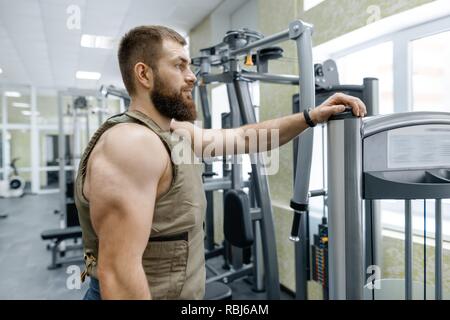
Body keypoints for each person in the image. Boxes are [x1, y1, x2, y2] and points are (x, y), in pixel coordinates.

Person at [75, 25, 367, 300]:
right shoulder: (131, 144)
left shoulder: (175, 131)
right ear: (144, 74)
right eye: (179, 65)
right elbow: (119, 276)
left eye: (189, 66)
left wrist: (311, 117)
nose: (191, 76)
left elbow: (245, 137)